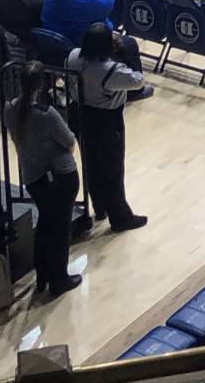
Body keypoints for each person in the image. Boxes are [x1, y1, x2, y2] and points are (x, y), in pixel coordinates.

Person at [8, 62, 87, 299]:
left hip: (32, 177)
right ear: (42, 84)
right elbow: (70, 141)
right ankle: (58, 279)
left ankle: (42, 275)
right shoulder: (47, 113)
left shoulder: (9, 108)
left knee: (44, 224)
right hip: (60, 177)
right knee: (59, 229)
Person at [65, 21, 152, 232]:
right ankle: (120, 217)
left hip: (78, 114)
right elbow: (138, 80)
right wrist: (122, 52)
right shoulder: (112, 69)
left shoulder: (73, 55)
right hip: (105, 120)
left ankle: (100, 206)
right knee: (112, 170)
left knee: (91, 162)